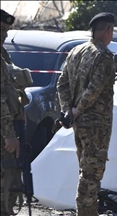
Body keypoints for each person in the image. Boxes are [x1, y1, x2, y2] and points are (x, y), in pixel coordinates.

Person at [56, 12, 116, 215]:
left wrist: (68, 111)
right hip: (95, 124)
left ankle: (88, 210)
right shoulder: (104, 56)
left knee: (85, 170)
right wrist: (77, 109)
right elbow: (94, 89)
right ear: (108, 31)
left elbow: (61, 84)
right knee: (91, 173)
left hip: (79, 122)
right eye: (111, 31)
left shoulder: (75, 52)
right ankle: (86, 212)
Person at [1, 9, 33, 216]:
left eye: (7, 31)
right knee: (5, 181)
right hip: (4, 132)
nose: (5, 35)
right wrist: (9, 134)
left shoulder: (3, 54)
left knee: (12, 178)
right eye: (1, 30)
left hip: (10, 126)